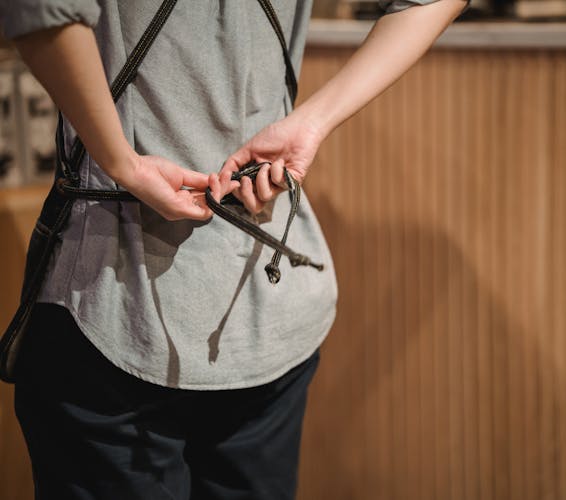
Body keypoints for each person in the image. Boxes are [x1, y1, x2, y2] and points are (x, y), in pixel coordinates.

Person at [0, 0, 466, 498]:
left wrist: (122, 161)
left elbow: (41, 10)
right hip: (268, 308)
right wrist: (311, 121)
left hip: (114, 301)